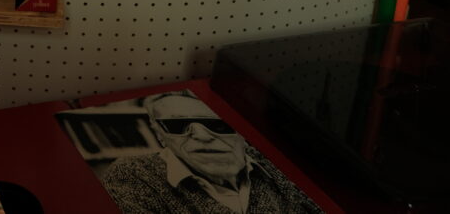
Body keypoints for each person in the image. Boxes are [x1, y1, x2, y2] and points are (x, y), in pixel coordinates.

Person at [100, 91, 322, 214]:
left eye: (216, 125)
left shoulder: (272, 163)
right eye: (177, 126)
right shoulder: (133, 175)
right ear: (160, 134)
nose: (201, 136)